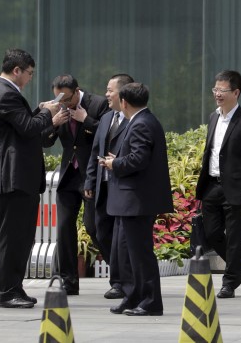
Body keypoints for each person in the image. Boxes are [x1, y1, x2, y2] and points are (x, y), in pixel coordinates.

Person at [0, 49, 61, 308]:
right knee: (12, 237)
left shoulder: (1, 92)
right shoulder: (5, 93)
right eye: (29, 73)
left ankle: (13, 288)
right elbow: (28, 127)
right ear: (17, 70)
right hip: (12, 176)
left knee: (19, 236)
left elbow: (21, 126)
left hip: (15, 176)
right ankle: (8, 292)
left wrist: (41, 110)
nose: (29, 78)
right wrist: (48, 113)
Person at [100, 83, 172, 316]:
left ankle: (150, 301)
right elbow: (139, 155)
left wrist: (115, 163)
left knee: (140, 254)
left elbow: (139, 159)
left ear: (124, 103)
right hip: (131, 201)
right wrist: (119, 158)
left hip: (137, 201)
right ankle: (134, 297)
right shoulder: (142, 121)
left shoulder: (141, 123)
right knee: (128, 254)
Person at [196, 70, 241, 299]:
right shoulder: (214, 117)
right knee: (212, 233)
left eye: (222, 91)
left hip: (236, 188)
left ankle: (230, 282)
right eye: (215, 90)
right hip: (212, 186)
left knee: (234, 238)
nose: (217, 94)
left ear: (236, 92)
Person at [42, 74, 109, 296]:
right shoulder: (57, 108)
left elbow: (110, 133)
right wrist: (52, 122)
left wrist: (85, 119)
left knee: (93, 226)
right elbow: (45, 141)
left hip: (91, 174)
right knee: (63, 228)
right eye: (59, 99)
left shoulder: (97, 103)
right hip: (69, 174)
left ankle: (120, 272)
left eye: (67, 99)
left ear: (77, 91)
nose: (63, 104)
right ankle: (68, 280)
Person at [84, 73, 133, 300]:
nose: (106, 95)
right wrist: (89, 181)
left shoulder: (135, 119)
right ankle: (121, 276)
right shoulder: (106, 118)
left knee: (121, 237)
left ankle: (120, 282)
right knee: (98, 230)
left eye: (110, 90)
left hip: (122, 188)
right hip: (102, 186)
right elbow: (96, 151)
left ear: (122, 94)